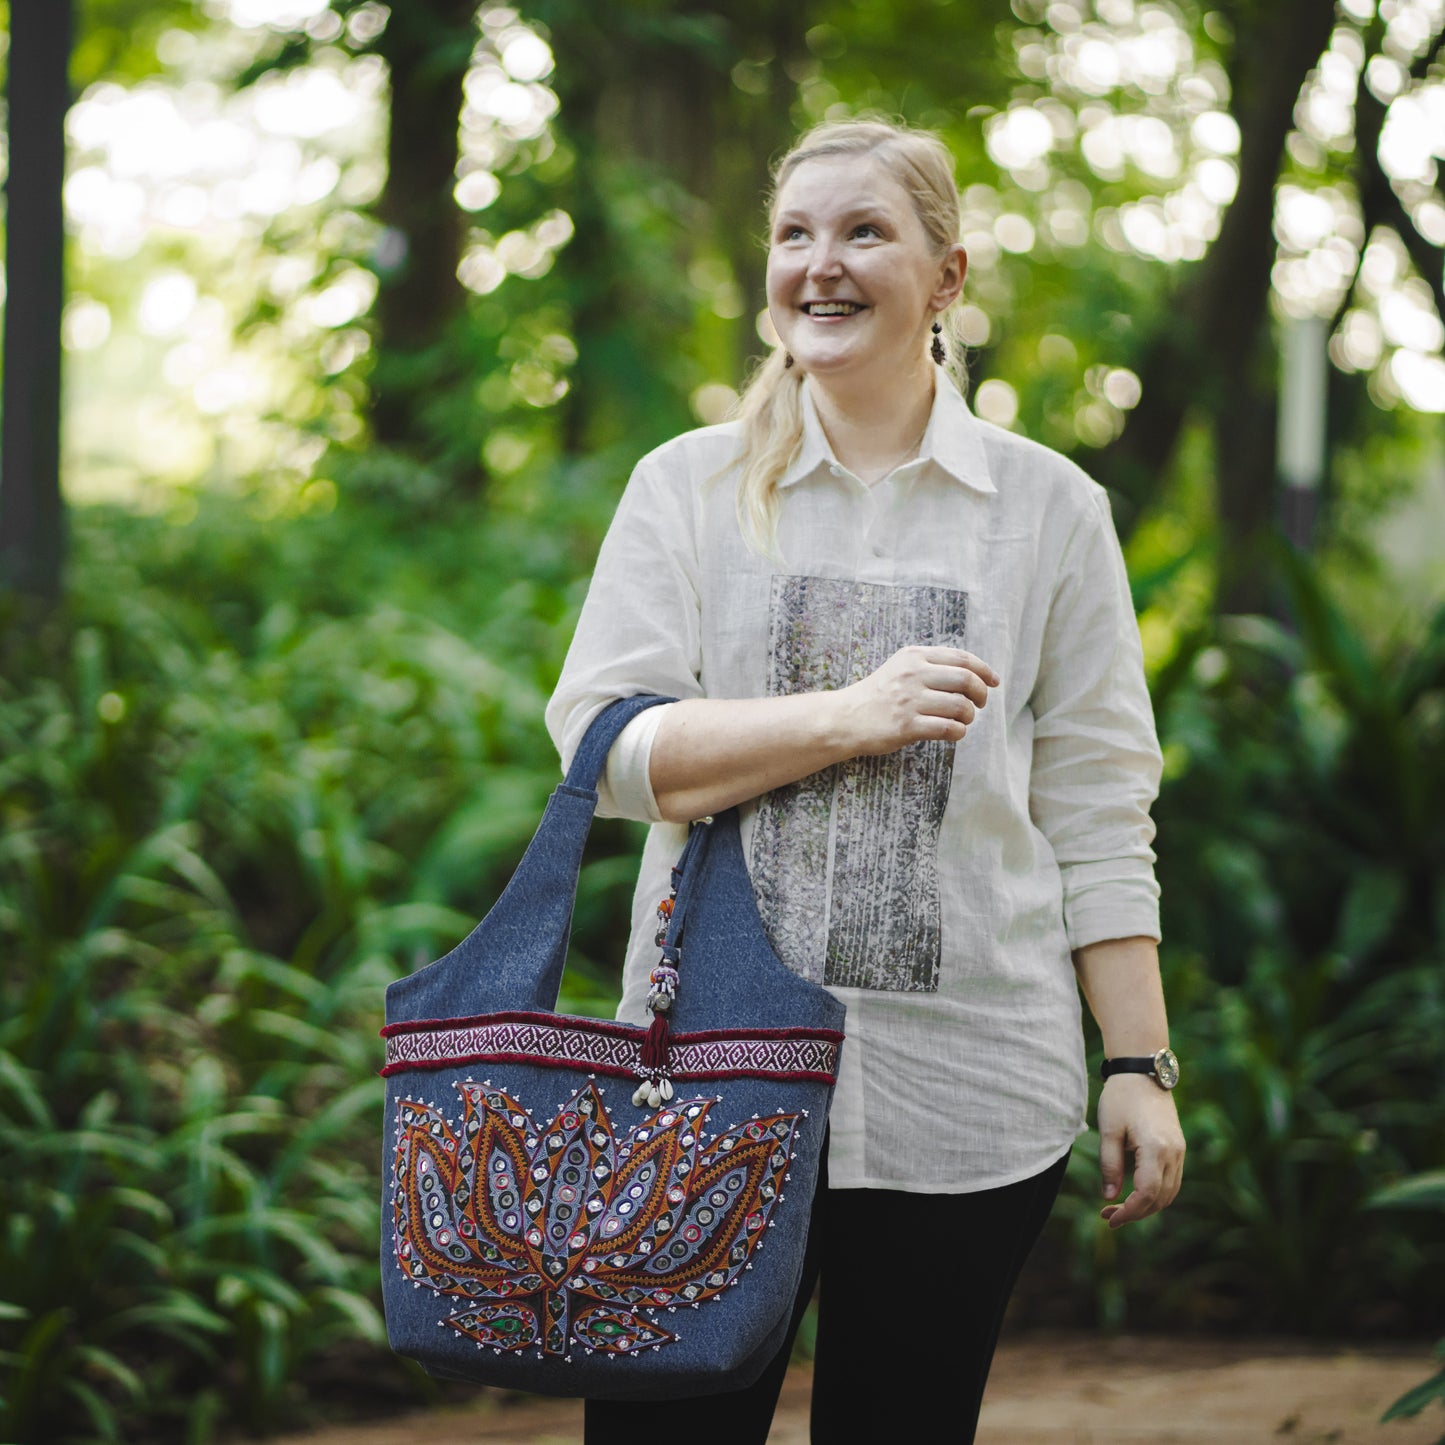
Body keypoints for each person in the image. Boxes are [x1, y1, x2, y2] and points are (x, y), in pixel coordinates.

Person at [545, 116, 1185, 1443]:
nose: (819, 265)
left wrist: (1136, 1058)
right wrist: (845, 714)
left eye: (862, 232)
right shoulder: (690, 488)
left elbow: (1097, 801)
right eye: (793, 234)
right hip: (699, 1083)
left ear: (946, 279)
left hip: (968, 1096)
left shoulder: (1048, 509)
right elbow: (605, 750)